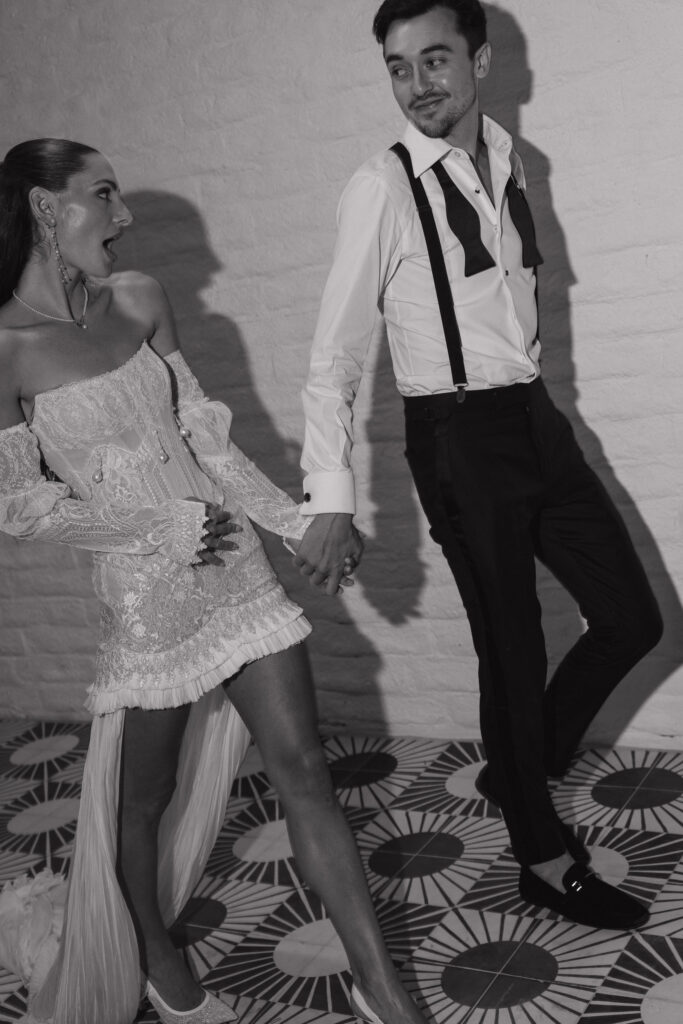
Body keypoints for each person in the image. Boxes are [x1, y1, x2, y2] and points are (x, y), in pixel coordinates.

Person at [0, 139, 427, 1024]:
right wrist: (153, 526)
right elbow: (23, 508)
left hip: (237, 577)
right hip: (147, 603)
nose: (122, 217)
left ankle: (382, 988)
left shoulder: (140, 297)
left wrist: (296, 520)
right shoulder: (4, 350)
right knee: (141, 804)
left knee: (305, 769)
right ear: (47, 209)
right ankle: (153, 949)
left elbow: (209, 447)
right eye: (103, 196)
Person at [295, 0, 663, 930]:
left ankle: (516, 765)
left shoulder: (508, 159)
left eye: (433, 60)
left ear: (480, 61)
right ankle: (541, 855)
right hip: (456, 436)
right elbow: (333, 355)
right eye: (397, 66)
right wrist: (329, 497)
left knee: (630, 617)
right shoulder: (379, 187)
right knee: (510, 647)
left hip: (533, 418)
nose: (416, 83)